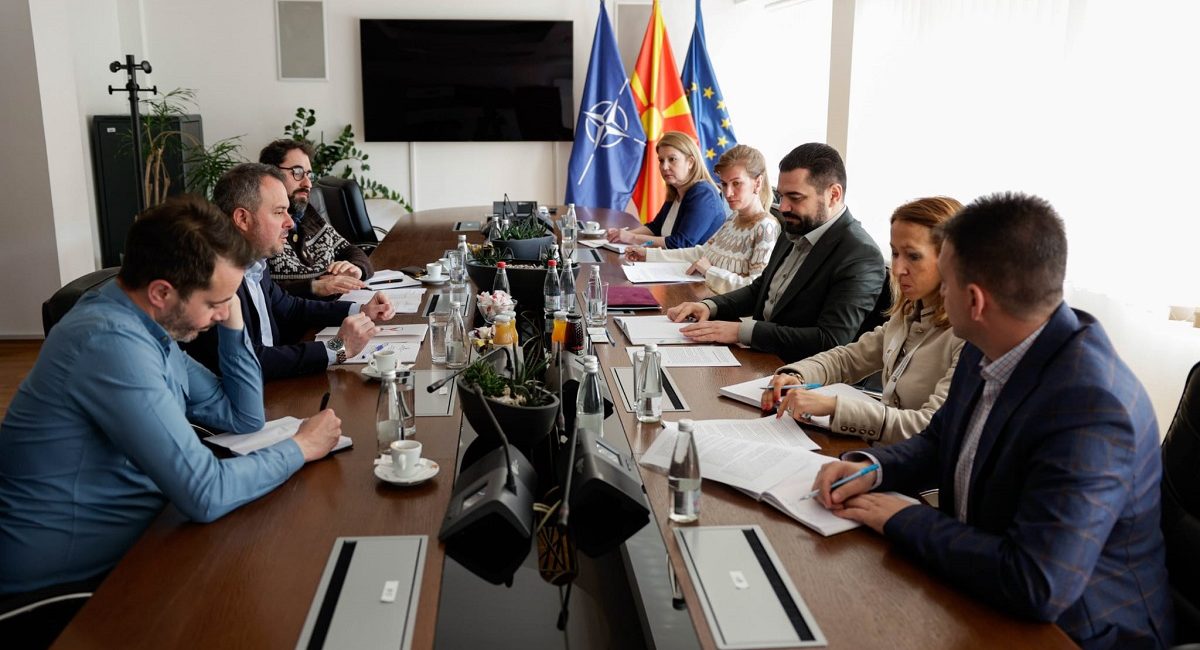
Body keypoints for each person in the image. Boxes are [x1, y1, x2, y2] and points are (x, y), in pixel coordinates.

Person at [812, 192, 1173, 648]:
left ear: (975, 301)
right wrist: (873, 469)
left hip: (1077, 632)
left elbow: (1036, 582)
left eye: (946, 283)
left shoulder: (1091, 408)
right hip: (981, 584)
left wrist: (904, 518)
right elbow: (939, 440)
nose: (940, 294)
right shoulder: (989, 343)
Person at [0, 196, 345, 597]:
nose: (221, 313)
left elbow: (244, 417)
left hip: (145, 537)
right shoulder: (111, 343)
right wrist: (301, 447)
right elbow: (206, 492)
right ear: (162, 293)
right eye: (213, 303)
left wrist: (231, 317)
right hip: (67, 584)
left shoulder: (147, 325)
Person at [762, 197, 965, 443]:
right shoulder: (909, 312)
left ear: (950, 260)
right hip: (880, 451)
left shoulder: (966, 337)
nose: (897, 269)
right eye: (895, 253)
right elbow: (848, 359)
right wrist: (798, 375)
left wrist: (835, 407)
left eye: (913, 256)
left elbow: (929, 425)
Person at [666, 143, 885, 360]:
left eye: (795, 197)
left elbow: (829, 340)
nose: (784, 207)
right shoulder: (796, 226)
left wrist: (741, 331)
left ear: (833, 195)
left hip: (796, 371)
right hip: (761, 357)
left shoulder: (860, 256)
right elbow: (760, 290)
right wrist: (709, 306)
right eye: (782, 196)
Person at [184, 164, 395, 380]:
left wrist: (361, 310)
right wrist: (338, 348)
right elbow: (249, 360)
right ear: (242, 219)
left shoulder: (254, 262)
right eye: (279, 212)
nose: (290, 222)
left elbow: (291, 308)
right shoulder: (213, 277)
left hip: (275, 385)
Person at [624, 144, 779, 294]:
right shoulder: (734, 218)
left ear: (757, 183)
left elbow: (755, 288)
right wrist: (649, 255)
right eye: (724, 184)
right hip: (708, 299)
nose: (728, 193)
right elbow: (702, 253)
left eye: (736, 183)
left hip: (725, 309)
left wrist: (709, 271)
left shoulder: (766, 227)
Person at [259, 139, 373, 298]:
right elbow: (262, 291)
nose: (308, 184)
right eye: (297, 172)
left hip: (339, 303)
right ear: (271, 174)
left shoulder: (306, 213)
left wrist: (356, 268)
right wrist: (315, 287)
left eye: (308, 174)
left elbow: (350, 250)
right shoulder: (262, 226)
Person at [605, 131, 725, 249]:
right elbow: (655, 228)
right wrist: (621, 235)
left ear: (690, 162)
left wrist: (631, 238)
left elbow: (681, 244)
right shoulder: (676, 191)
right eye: (661, 160)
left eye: (672, 159)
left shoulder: (703, 193)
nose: (664, 167)